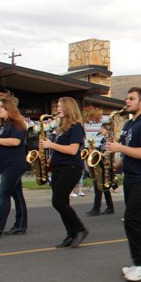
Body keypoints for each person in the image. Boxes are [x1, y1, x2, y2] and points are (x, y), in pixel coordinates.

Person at [107, 87, 141, 281]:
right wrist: (116, 166)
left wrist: (119, 147)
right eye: (127, 97)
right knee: (139, 220)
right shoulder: (130, 124)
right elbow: (130, 151)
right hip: (132, 178)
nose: (127, 101)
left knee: (132, 219)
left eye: (131, 98)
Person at [40, 97, 90, 248]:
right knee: (62, 202)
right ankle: (71, 234)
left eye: (61, 106)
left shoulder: (76, 127)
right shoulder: (63, 128)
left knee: (58, 201)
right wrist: (50, 160)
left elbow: (73, 149)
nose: (58, 109)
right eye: (58, 106)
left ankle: (80, 229)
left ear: (69, 108)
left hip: (71, 168)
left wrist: (51, 145)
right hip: (59, 167)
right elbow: (61, 149)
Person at [0, 97, 28, 237]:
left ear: (9, 108)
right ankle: (20, 226)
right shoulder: (4, 125)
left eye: (1, 106)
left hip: (14, 165)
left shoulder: (17, 124)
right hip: (6, 164)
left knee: (3, 194)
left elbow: (15, 141)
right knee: (17, 196)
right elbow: (2, 144)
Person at [87, 123, 115, 216]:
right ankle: (109, 207)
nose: (100, 130)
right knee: (103, 187)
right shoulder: (103, 140)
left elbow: (108, 154)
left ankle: (97, 208)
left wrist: (95, 152)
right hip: (102, 164)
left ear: (107, 129)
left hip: (107, 165)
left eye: (102, 128)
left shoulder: (110, 140)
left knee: (100, 186)